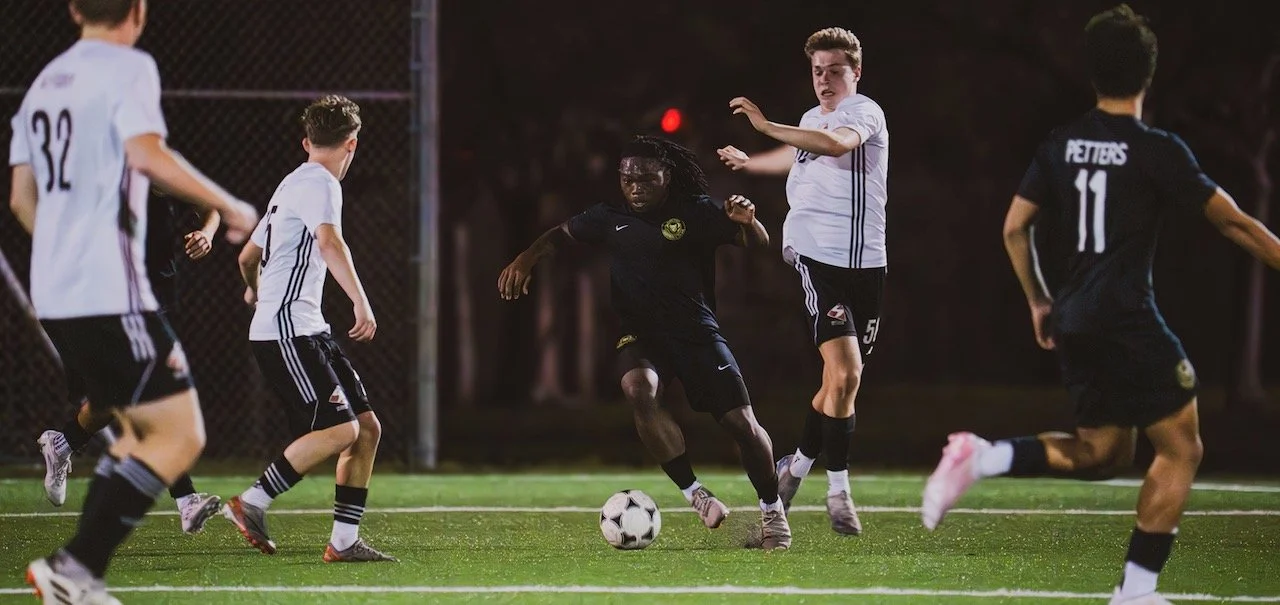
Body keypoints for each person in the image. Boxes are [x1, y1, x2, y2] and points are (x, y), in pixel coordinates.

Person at [920, 5, 1280, 604]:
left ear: (1092, 73)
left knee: (1102, 453)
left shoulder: (1061, 144)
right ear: (1148, 74)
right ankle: (1135, 594)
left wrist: (1039, 301)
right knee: (1182, 446)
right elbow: (1237, 225)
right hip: (1126, 316)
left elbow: (1014, 228)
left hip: (1076, 315)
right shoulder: (1156, 149)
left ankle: (983, 456)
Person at [9, 0, 258, 601]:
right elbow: (147, 155)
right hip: (108, 288)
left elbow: (21, 199)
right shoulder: (128, 67)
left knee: (137, 426)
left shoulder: (42, 85)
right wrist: (230, 205)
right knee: (180, 434)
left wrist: (64, 252)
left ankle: (77, 570)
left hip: (58, 290)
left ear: (73, 10)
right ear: (139, 11)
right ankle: (73, 569)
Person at [498, 135, 792, 550]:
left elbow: (757, 245)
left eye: (645, 179)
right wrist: (525, 258)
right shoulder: (608, 216)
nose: (635, 186)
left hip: (696, 333)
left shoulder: (696, 211)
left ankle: (772, 512)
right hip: (641, 333)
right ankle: (696, 494)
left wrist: (749, 223)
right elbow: (558, 235)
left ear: (666, 177)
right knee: (638, 387)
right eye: (627, 178)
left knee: (742, 424)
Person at [717, 26, 889, 535]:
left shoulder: (864, 112)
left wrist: (767, 128)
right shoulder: (811, 120)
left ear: (856, 72)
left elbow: (833, 145)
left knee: (838, 385)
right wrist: (754, 161)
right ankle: (839, 493)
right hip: (818, 257)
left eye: (835, 70)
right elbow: (801, 153)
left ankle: (795, 467)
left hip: (868, 263)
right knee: (847, 375)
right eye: (817, 71)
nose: (825, 80)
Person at [224, 95, 394, 563]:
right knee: (341, 431)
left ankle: (343, 542)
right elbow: (329, 240)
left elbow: (246, 257)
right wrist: (360, 301)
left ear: (306, 141)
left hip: (305, 327)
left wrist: (253, 288)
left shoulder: (290, 182)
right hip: (287, 331)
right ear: (352, 144)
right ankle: (252, 501)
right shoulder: (321, 182)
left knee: (366, 428)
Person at [35, 187, 223, 535]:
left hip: (155, 301)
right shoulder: (96, 177)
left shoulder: (160, 169)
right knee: (150, 397)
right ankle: (186, 500)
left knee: (113, 400)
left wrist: (206, 233)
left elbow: (211, 206)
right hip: (105, 302)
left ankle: (62, 443)